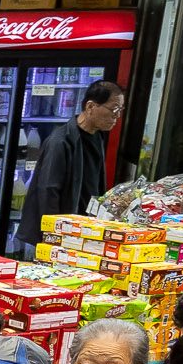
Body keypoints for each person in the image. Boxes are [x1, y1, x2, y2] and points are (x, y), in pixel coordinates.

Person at [15, 80, 124, 254]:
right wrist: (55, 237)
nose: (117, 116)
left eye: (120, 110)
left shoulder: (96, 137)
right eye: (113, 109)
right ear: (90, 106)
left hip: (83, 231)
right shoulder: (60, 141)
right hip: (63, 235)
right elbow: (48, 191)